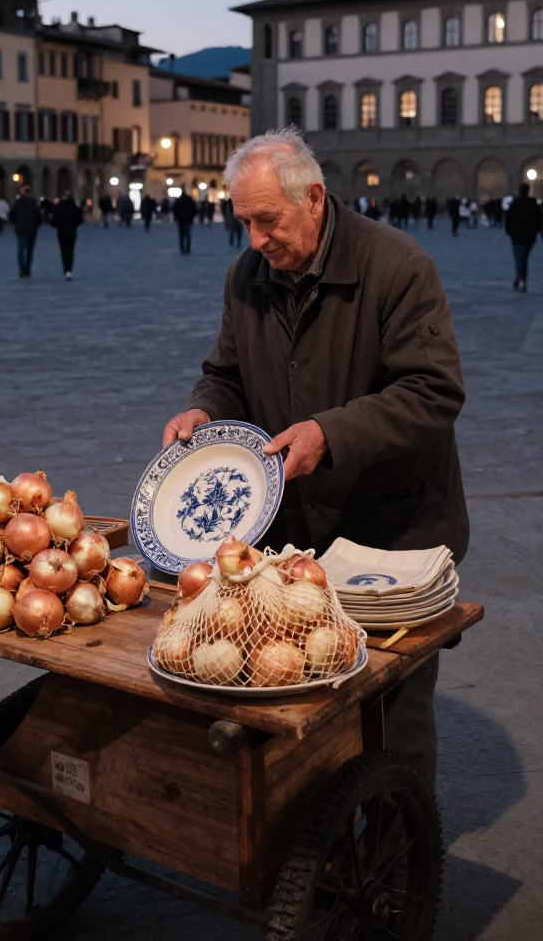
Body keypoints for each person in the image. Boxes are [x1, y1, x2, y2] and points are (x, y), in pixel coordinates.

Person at [162, 129, 468, 785]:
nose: (254, 240)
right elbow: (225, 373)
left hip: (393, 532)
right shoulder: (246, 276)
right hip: (295, 538)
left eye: (266, 220)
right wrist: (204, 410)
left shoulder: (397, 265)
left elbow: (434, 390)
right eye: (241, 221)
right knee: (303, 695)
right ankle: (319, 848)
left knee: (393, 709)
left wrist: (329, 435)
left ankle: (396, 861)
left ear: (315, 200)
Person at [505, 182, 542, 293]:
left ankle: (522, 280)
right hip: (530, 236)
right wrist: (539, 231)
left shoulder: (515, 203)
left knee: (519, 259)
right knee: (524, 259)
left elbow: (508, 219)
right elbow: (539, 219)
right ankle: (520, 278)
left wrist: (509, 232)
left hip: (517, 236)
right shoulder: (533, 204)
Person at [10, 185, 42, 277]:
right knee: (29, 251)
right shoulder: (33, 202)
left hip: (21, 230)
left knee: (21, 251)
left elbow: (12, 216)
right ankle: (27, 270)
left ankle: (22, 269)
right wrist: (35, 225)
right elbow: (39, 217)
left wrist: (17, 223)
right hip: (32, 230)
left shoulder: (18, 202)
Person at [52, 191, 83, 279]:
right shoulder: (72, 207)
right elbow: (79, 220)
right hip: (68, 232)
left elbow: (53, 221)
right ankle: (67, 270)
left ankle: (68, 269)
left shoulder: (60, 207)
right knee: (67, 252)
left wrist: (60, 224)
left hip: (65, 232)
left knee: (67, 252)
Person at [173, 188, 196, 255]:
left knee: (181, 235)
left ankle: (182, 249)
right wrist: (192, 216)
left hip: (180, 220)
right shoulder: (189, 200)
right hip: (188, 219)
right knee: (187, 234)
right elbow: (194, 209)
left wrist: (176, 216)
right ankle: (188, 249)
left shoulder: (178, 201)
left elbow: (174, 209)